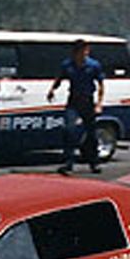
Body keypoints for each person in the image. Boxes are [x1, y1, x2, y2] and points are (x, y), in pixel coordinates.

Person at [47, 38, 105, 174]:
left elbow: (101, 85)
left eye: (86, 51)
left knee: (91, 133)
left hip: (88, 101)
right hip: (74, 100)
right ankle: (68, 163)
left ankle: (94, 163)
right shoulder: (68, 65)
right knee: (69, 130)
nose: (84, 54)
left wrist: (99, 104)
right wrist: (52, 90)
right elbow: (59, 79)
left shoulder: (94, 65)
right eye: (81, 51)